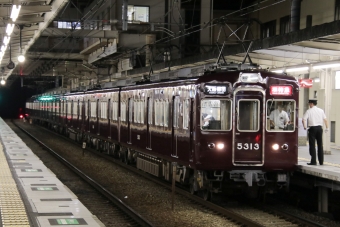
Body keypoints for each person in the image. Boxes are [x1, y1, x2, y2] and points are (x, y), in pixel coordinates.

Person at [302, 99, 329, 165]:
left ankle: (313, 161)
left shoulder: (308, 111)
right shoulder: (321, 110)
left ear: (311, 104)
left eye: (309, 104)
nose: (309, 105)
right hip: (320, 128)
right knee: (320, 145)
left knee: (312, 145)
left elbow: (303, 120)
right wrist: (327, 128)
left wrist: (305, 127)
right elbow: (325, 120)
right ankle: (321, 161)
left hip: (312, 128)